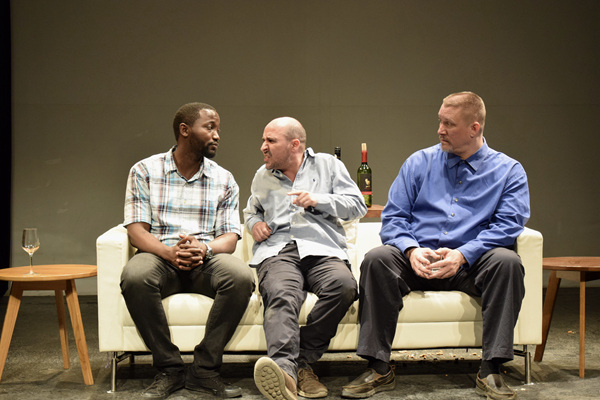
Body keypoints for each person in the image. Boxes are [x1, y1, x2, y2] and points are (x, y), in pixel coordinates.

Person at [342, 92, 530, 400]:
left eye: (448, 123)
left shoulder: (508, 171)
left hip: (471, 263)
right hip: (419, 258)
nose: (440, 130)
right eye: (439, 121)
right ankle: (378, 368)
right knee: (378, 259)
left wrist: (463, 254)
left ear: (475, 128)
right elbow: (394, 218)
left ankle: (491, 369)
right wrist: (411, 250)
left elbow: (509, 225)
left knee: (507, 261)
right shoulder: (419, 162)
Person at [120, 102, 255, 399]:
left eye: (218, 129)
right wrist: (168, 253)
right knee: (135, 276)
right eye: (210, 127)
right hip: (159, 256)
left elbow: (230, 239)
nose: (217, 135)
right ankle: (169, 369)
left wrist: (203, 248)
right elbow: (136, 231)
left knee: (241, 276)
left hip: (204, 260)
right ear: (185, 130)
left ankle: (205, 370)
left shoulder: (224, 179)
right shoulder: (145, 170)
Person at [244, 117, 367, 400]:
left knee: (344, 286)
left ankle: (301, 360)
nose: (263, 147)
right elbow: (251, 211)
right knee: (282, 293)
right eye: (264, 140)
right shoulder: (262, 176)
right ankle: (286, 376)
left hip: (322, 248)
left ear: (294, 144)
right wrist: (254, 225)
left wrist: (318, 199)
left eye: (270, 141)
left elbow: (356, 206)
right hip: (279, 251)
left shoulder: (329, 166)